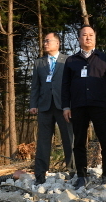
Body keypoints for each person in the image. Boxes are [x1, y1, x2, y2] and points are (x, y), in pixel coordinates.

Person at [61, 25, 106, 189]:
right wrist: (66, 106)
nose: (88, 38)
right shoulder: (71, 61)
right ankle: (82, 175)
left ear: (95, 37)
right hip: (78, 106)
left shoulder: (104, 58)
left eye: (91, 35)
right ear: (79, 39)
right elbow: (65, 86)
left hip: (99, 105)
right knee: (79, 142)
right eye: (84, 35)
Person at [29, 32, 74, 185]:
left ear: (57, 43)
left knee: (68, 138)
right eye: (44, 41)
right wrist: (33, 104)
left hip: (64, 106)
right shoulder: (39, 63)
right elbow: (35, 86)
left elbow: (71, 84)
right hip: (44, 106)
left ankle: (73, 171)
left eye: (48, 41)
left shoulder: (68, 60)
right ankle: (40, 174)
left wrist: (71, 104)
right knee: (43, 140)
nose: (45, 43)